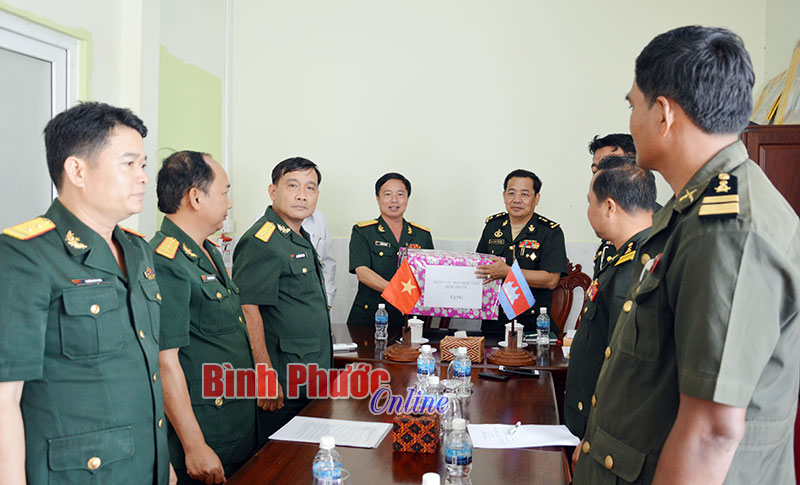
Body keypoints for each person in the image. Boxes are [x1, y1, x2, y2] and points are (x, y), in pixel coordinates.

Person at [574, 26, 800, 484]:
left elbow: (713, 431)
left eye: (633, 106)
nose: (631, 121)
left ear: (663, 114)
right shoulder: (690, 210)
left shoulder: (729, 229)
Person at [0, 102, 171, 484]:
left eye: (144, 165)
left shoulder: (137, 249)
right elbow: (3, 399)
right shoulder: (25, 255)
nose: (143, 178)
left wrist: (164, 463)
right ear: (77, 170)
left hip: (145, 468)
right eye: (129, 164)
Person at [150, 151, 257, 484]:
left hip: (235, 421)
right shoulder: (166, 261)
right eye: (224, 193)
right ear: (196, 197)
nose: (229, 203)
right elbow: (165, 362)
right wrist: (194, 445)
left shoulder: (206, 250)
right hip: (207, 430)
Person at [232, 157, 332, 444]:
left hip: (309, 375)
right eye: (292, 186)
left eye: (310, 188)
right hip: (283, 380)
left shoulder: (297, 236)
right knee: (279, 460)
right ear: (272, 191)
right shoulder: (262, 241)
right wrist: (264, 374)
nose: (302, 195)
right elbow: (247, 309)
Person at [564, 156, 655, 443]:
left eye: (590, 203)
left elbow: (622, 366)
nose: (589, 211)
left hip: (602, 431)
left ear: (609, 207)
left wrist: (595, 438)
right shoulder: (626, 254)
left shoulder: (633, 268)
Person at [475, 169, 568, 334]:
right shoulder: (492, 227)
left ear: (536, 198)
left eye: (524, 194)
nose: (516, 200)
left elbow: (551, 280)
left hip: (533, 325)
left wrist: (508, 272)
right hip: (494, 323)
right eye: (511, 193)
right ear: (504, 195)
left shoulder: (550, 232)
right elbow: (478, 268)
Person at [347, 172, 433, 326]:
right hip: (369, 316)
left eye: (400, 194)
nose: (394, 200)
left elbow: (429, 275)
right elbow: (362, 272)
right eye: (387, 194)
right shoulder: (363, 231)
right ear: (378, 198)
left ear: (407, 198)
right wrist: (396, 292)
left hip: (409, 318)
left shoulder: (422, 235)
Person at [587, 134, 637, 277]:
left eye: (608, 169)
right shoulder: (608, 226)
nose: (599, 178)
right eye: (595, 171)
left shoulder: (658, 226)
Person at [303, 210, 336, 308]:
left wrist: (328, 299)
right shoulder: (266, 220)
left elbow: (327, 263)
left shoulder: (319, 219)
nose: (302, 202)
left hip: (316, 302)